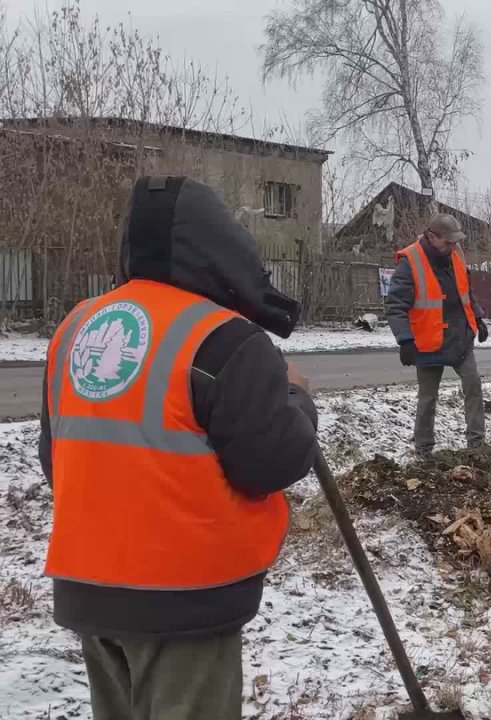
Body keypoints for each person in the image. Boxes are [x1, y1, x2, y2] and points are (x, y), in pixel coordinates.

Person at [38, 176, 320, 719]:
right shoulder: (225, 338)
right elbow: (274, 461)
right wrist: (297, 399)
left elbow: (59, 462)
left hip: (88, 589)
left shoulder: (74, 330)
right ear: (219, 248)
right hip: (185, 598)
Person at [386, 212, 490, 457]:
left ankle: (477, 445)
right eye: (448, 242)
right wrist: (405, 340)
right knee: (428, 398)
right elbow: (395, 305)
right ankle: (424, 451)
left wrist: (478, 318)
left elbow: (466, 291)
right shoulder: (409, 260)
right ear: (432, 237)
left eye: (455, 242)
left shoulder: (455, 254)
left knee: (473, 386)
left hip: (459, 339)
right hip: (428, 342)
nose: (453, 246)